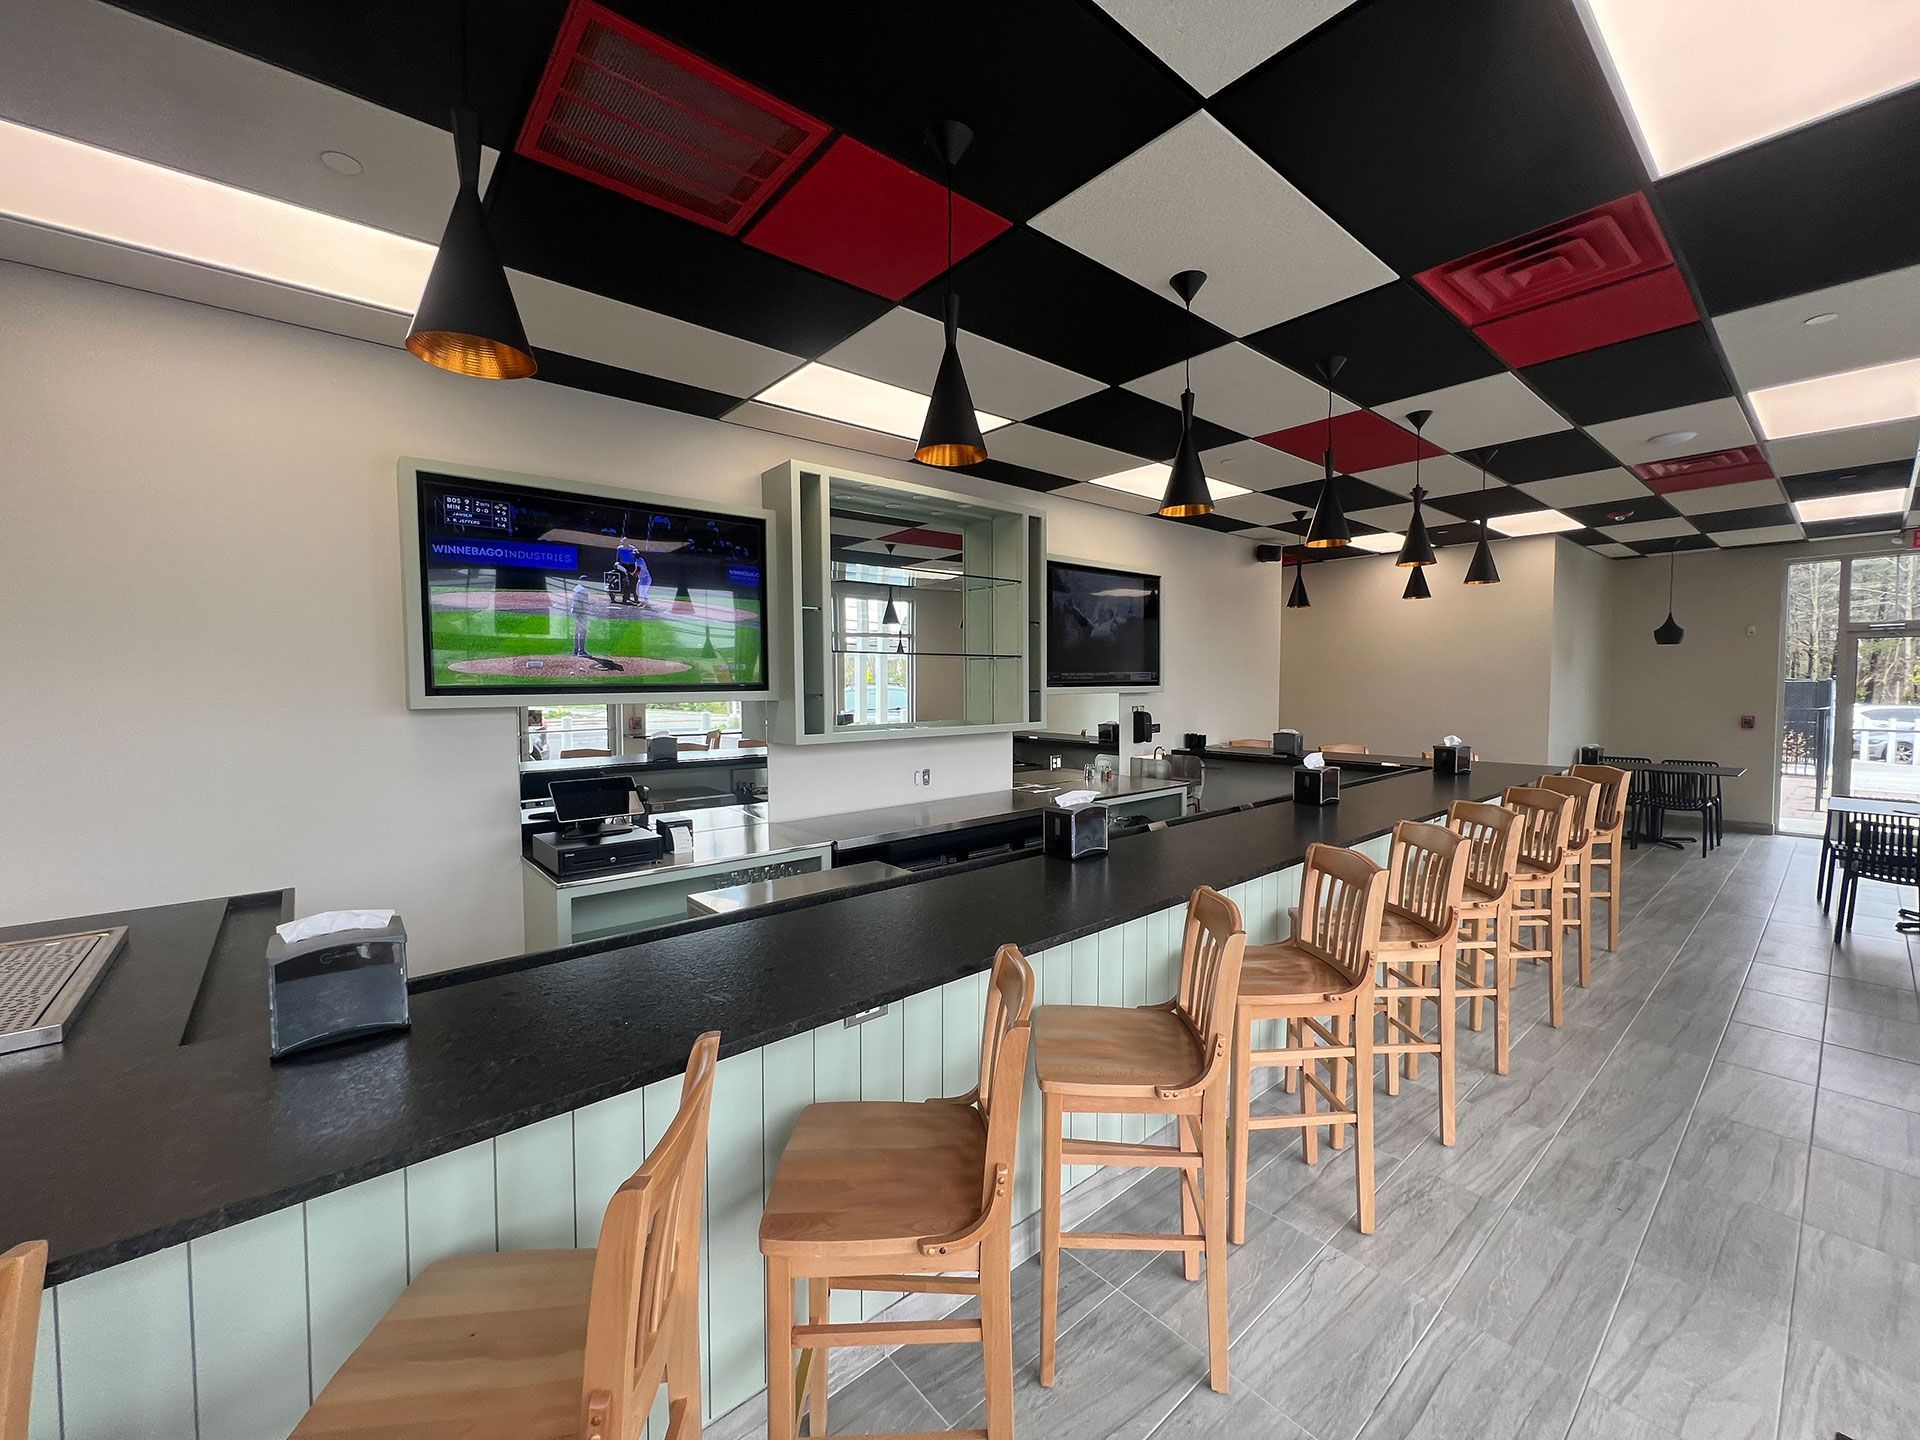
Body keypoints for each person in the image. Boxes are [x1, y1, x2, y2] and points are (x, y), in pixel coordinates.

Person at [570, 575, 590, 657]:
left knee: (577, 631)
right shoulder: (583, 590)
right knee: (582, 631)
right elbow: (584, 604)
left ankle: (575, 650)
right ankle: (581, 651)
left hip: (574, 610)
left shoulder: (576, 587)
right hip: (580, 612)